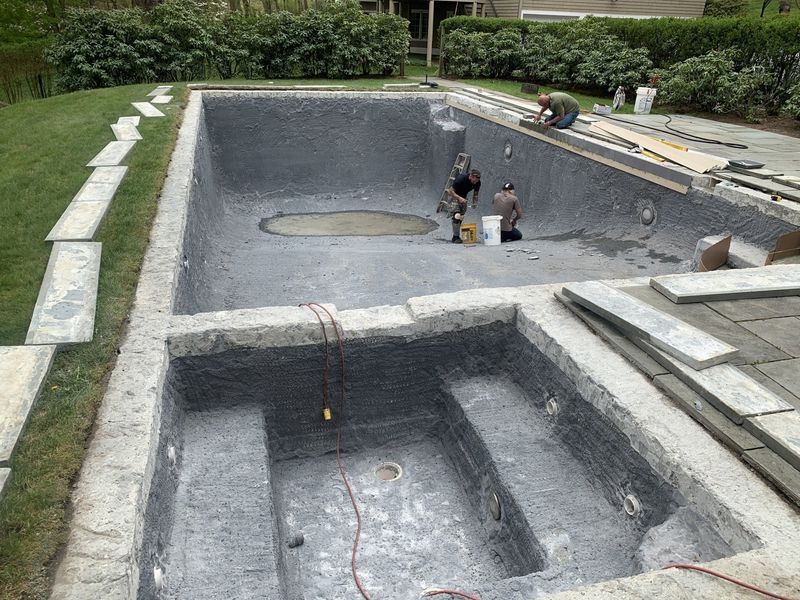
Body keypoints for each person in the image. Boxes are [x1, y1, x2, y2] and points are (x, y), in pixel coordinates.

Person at [447, 168, 481, 244]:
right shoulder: (461, 178)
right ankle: (455, 237)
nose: (475, 182)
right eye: (474, 180)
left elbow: (475, 194)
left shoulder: (477, 183)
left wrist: (474, 203)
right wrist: (459, 198)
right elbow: (450, 191)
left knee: (461, 217)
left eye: (477, 181)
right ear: (471, 176)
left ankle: (457, 235)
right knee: (457, 216)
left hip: (463, 197)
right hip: (454, 196)